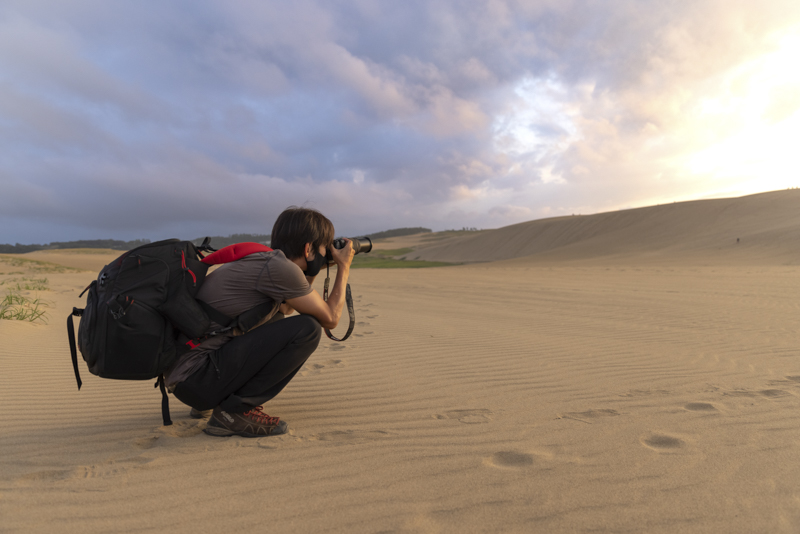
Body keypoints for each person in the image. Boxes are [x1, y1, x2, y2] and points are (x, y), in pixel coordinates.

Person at [165, 207, 355, 437]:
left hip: (190, 379)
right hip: (197, 379)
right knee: (308, 329)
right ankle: (232, 412)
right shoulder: (279, 268)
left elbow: (286, 308)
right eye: (324, 247)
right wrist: (344, 267)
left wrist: (311, 268)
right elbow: (331, 319)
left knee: (275, 317)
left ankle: (218, 399)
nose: (328, 253)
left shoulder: (266, 260)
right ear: (308, 248)